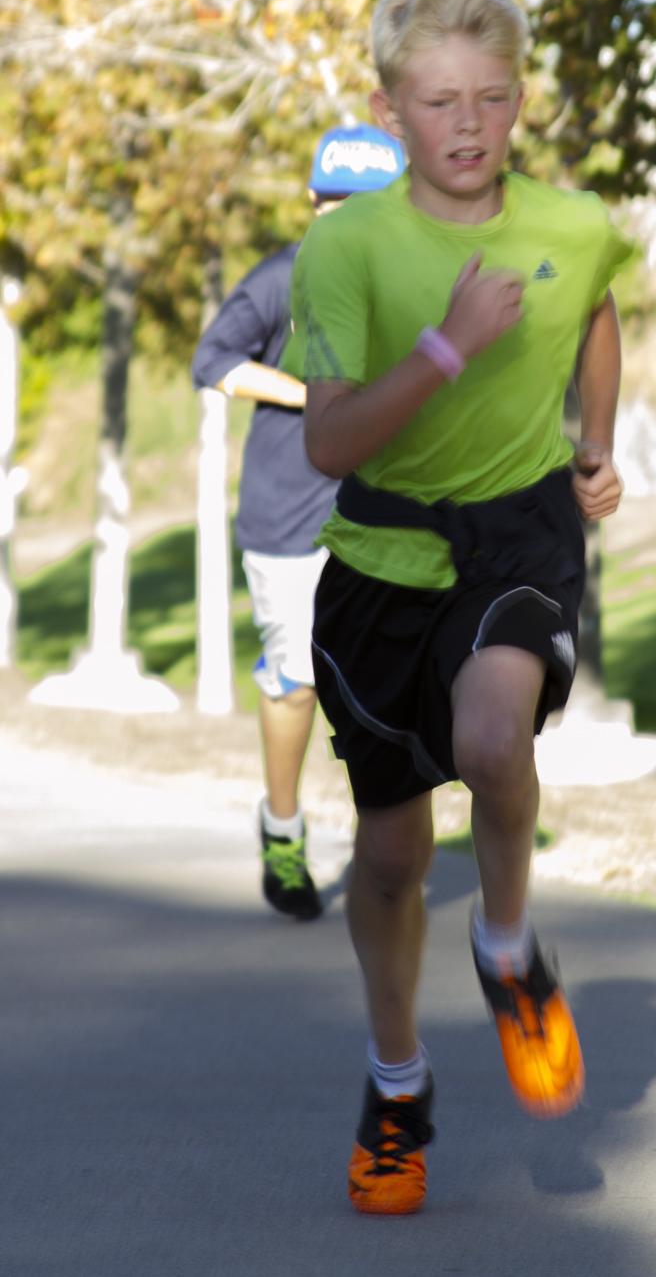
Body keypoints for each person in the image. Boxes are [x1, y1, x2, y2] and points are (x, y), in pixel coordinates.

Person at [292, 0, 630, 1214]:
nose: (470, 125)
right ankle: (397, 1087)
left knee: (495, 739)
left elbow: (595, 312)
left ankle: (507, 946)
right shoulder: (347, 247)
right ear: (393, 110)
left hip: (518, 535)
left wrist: (595, 443)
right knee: (388, 858)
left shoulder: (572, 224)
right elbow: (329, 444)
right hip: (380, 562)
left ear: (520, 98)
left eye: (491, 97)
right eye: (440, 102)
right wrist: (448, 344)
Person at [191, 124, 406, 921]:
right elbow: (213, 363)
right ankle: (283, 829)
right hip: (289, 515)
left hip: (387, 515)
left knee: (392, 682)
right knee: (299, 680)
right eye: (335, 203)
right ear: (313, 200)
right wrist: (311, 395)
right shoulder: (282, 278)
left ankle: (386, 845)